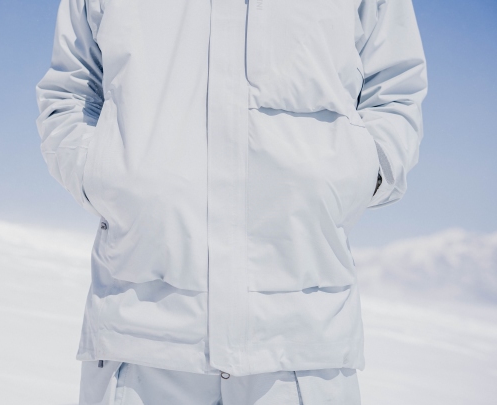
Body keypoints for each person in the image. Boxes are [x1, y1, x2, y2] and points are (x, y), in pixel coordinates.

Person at [36, 0, 427, 403]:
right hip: (139, 328)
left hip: (303, 336)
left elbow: (395, 92)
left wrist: (355, 176)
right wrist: (107, 178)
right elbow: (70, 91)